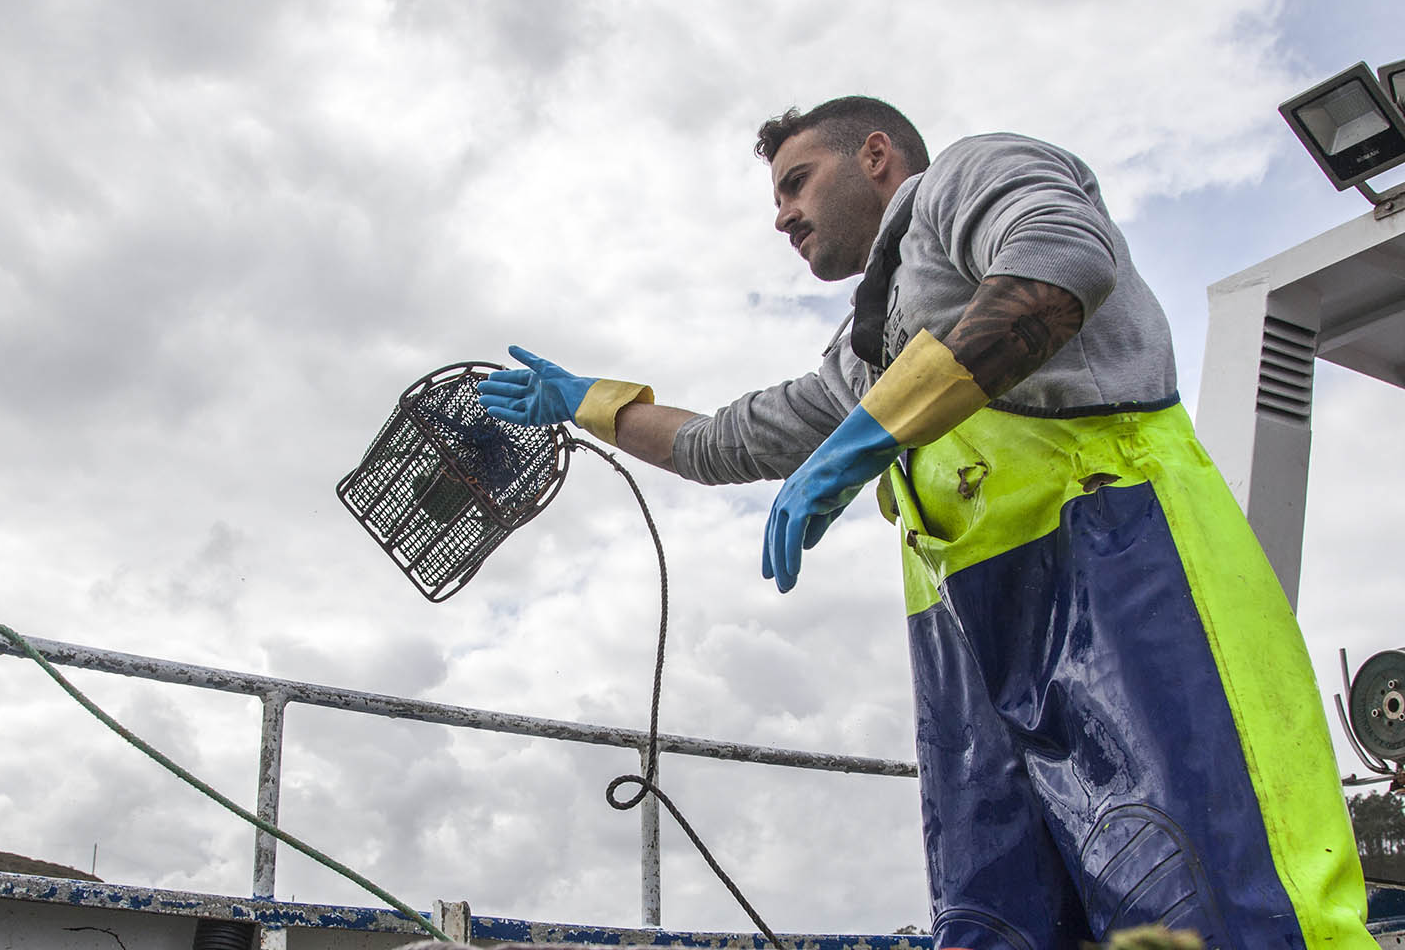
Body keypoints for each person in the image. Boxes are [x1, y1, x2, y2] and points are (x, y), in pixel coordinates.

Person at [477, 97, 1374, 949]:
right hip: (969, 657)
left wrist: (866, 435)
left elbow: (1065, 260)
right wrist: (589, 401)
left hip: (1132, 580)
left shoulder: (967, 178)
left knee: (1216, 899)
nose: (782, 216)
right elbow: (720, 444)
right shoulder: (863, 356)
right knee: (997, 920)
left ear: (875, 156)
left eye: (796, 180)